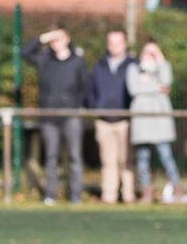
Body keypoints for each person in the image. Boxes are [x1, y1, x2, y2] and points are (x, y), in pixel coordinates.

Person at [22, 26, 89, 205]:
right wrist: (43, 37)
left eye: (58, 38)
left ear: (67, 39)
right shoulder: (45, 60)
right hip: (49, 117)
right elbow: (24, 52)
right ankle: (50, 195)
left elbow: (85, 87)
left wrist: (80, 106)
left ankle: (75, 195)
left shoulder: (77, 61)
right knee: (51, 157)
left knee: (75, 157)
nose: (55, 42)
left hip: (71, 116)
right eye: (53, 39)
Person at [127, 40, 187, 204]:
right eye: (147, 51)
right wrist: (157, 88)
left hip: (160, 121)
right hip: (142, 121)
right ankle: (146, 192)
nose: (150, 55)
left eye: (154, 52)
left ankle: (177, 189)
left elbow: (167, 81)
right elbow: (134, 89)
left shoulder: (162, 68)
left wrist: (161, 62)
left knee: (166, 155)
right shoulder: (134, 69)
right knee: (142, 157)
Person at [89, 30, 137, 204]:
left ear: (124, 43)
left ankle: (128, 195)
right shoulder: (100, 65)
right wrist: (96, 107)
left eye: (117, 42)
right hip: (104, 120)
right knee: (108, 161)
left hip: (126, 120)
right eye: (111, 42)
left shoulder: (133, 64)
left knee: (127, 160)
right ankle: (108, 196)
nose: (114, 46)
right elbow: (90, 90)